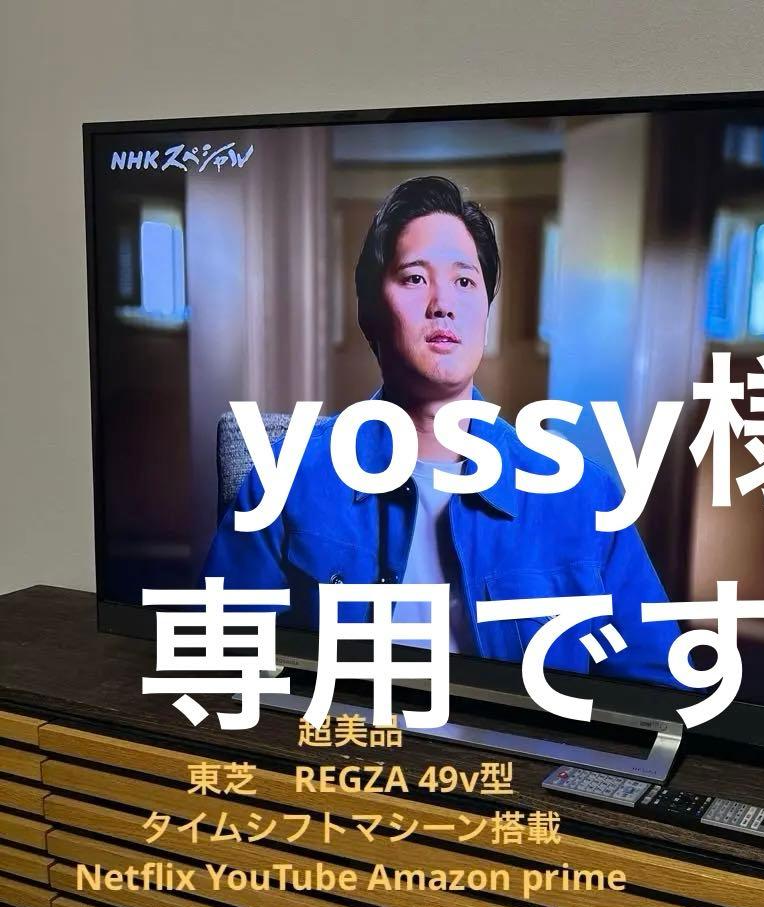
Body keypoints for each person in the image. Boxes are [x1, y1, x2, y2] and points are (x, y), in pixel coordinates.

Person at [204, 175, 679, 686]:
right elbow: (221, 668)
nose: (442, 304)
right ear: (370, 312)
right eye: (414, 279)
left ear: (485, 311)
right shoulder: (285, 477)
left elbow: (660, 694)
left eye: (465, 282)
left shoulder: (584, 496)